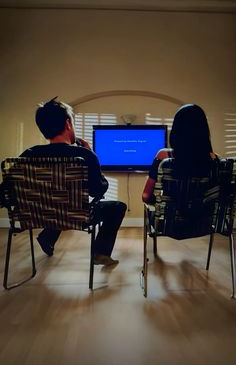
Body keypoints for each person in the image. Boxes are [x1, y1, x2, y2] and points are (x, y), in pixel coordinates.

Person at [21, 97, 127, 266]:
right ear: (68, 124)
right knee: (118, 207)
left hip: (37, 216)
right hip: (77, 216)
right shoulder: (84, 155)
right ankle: (100, 253)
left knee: (57, 201)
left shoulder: (27, 155)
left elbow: (7, 191)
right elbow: (98, 191)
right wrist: (92, 155)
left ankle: (47, 236)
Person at [142, 103, 218, 204]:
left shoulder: (163, 156)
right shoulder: (215, 159)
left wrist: (162, 203)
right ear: (203, 130)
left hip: (170, 219)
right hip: (204, 219)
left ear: (176, 130)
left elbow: (146, 196)